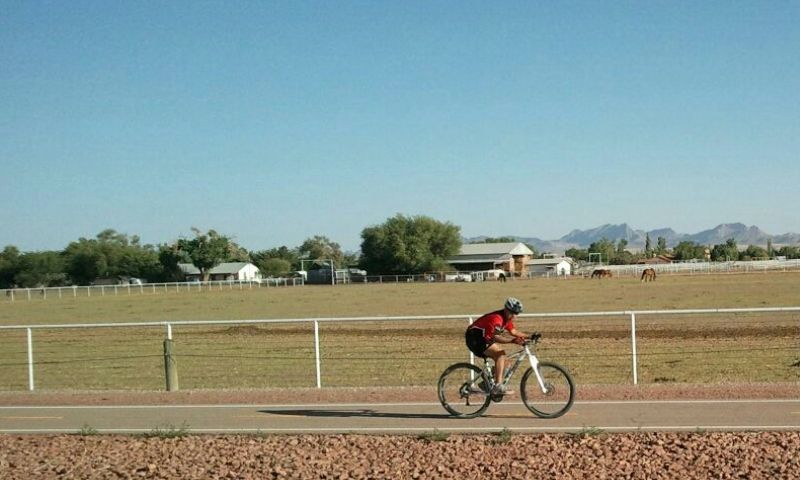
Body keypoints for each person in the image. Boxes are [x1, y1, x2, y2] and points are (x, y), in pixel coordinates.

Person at [465, 297, 530, 395]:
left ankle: (485, 384)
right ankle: (498, 386)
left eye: (516, 314)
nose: (514, 316)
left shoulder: (507, 318)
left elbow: (513, 331)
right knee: (501, 355)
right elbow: (495, 337)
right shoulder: (497, 319)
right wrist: (512, 341)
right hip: (474, 339)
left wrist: (530, 336)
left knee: (506, 362)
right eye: (513, 313)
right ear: (506, 310)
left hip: (484, 339)